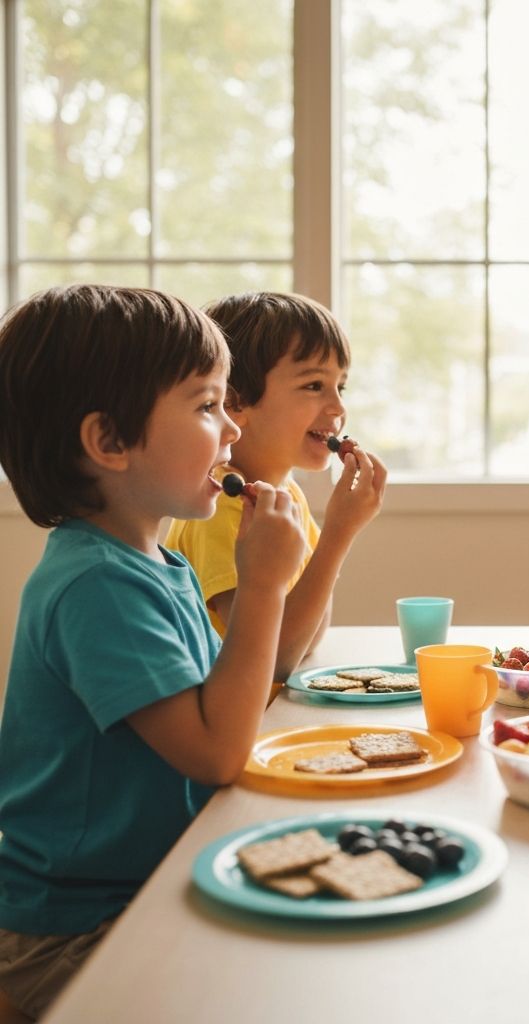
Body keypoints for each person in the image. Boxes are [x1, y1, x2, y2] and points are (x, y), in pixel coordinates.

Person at [0, 284, 308, 1018]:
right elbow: (216, 752)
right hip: (72, 928)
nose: (231, 429)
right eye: (206, 406)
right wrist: (263, 586)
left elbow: (223, 704)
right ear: (109, 441)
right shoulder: (96, 584)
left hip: (151, 885)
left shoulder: (157, 563)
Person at [165, 292, 386, 681]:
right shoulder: (221, 505)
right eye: (315, 385)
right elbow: (276, 659)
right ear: (236, 402)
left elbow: (309, 639)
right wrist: (338, 534)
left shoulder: (286, 497)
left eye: (341, 387)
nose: (337, 407)